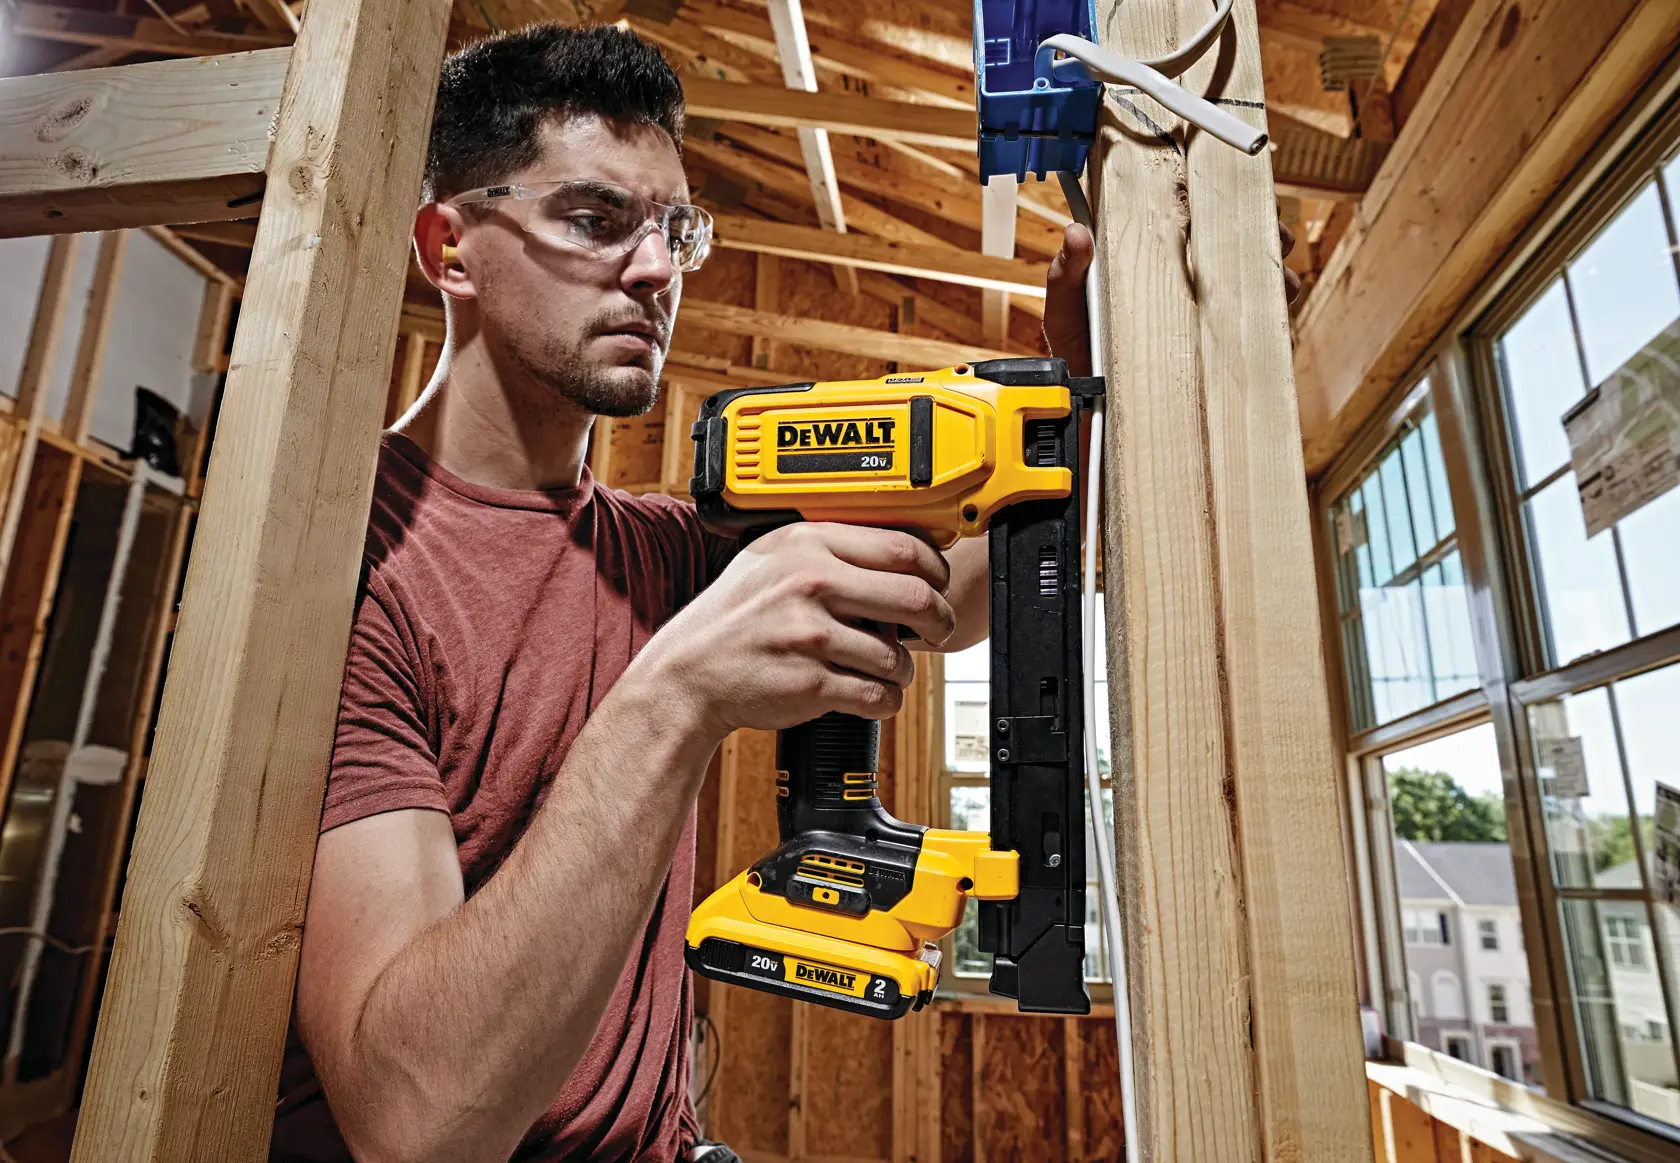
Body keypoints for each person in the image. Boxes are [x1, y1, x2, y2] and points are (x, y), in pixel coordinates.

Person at [269, 19, 1211, 1163]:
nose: (658, 269)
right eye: (595, 218)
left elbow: (955, 596)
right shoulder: (341, 566)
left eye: (672, 227)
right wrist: (679, 692)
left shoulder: (658, 552)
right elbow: (415, 1121)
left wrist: (1075, 410)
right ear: (449, 246)